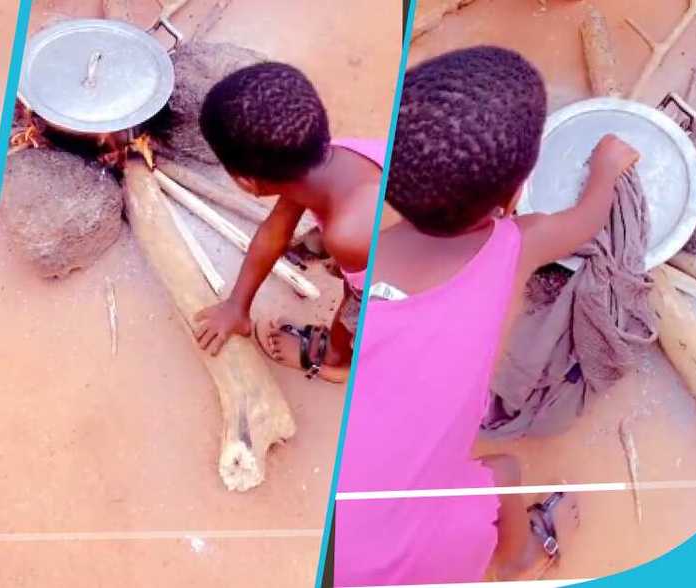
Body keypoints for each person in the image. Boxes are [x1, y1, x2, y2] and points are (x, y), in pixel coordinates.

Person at [335, 46, 638, 584]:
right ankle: (518, 557)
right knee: (503, 471)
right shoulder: (515, 245)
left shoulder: (368, 249)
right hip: (398, 560)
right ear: (517, 192)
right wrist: (607, 167)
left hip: (345, 529)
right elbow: (588, 218)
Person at [191, 62, 394, 382]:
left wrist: (340, 346)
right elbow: (275, 230)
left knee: (359, 314)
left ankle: (336, 361)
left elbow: (361, 298)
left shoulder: (349, 235)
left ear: (247, 183)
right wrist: (237, 306)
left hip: (404, 278)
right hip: (391, 235)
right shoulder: (325, 159)